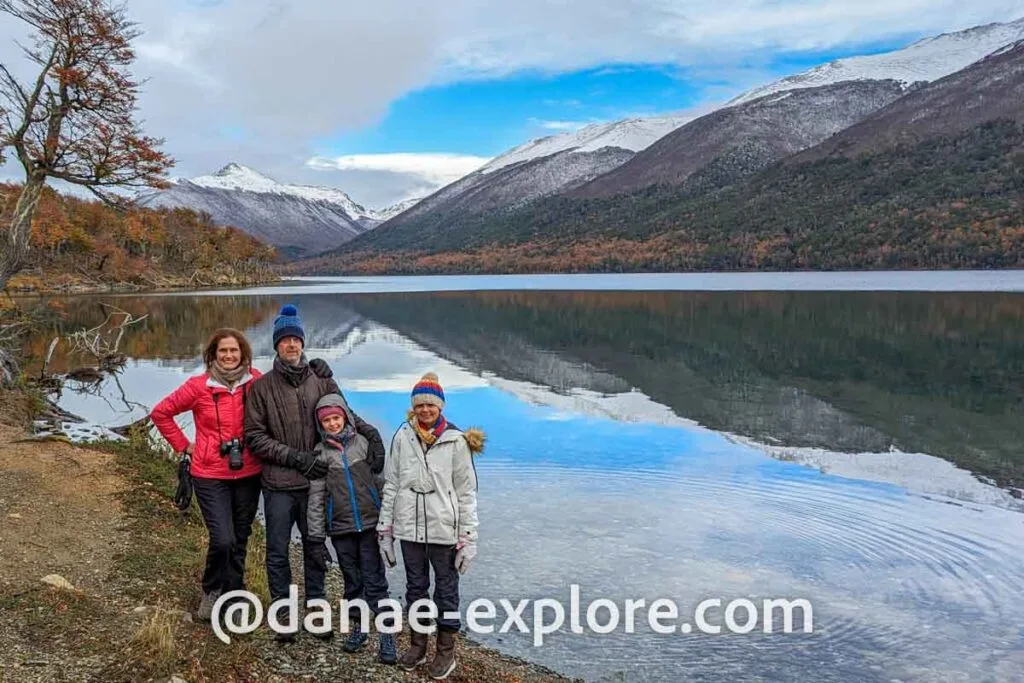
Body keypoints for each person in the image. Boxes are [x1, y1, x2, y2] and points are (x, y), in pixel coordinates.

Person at [243, 303, 384, 641]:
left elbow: (344, 417)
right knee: (278, 551)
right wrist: (296, 458)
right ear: (275, 345)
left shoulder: (322, 379)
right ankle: (283, 617)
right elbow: (254, 438)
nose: (291, 345)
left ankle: (317, 611)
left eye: (296, 339)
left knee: (315, 548)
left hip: (317, 484)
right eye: (284, 340)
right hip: (278, 485)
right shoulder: (261, 388)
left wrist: (372, 435)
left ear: (303, 343)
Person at [150, 328, 263, 621]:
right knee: (222, 537)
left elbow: (286, 393)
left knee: (240, 536)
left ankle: (234, 594)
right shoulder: (198, 386)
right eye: (222, 351)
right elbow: (161, 413)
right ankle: (212, 590)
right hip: (210, 473)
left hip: (249, 471)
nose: (228, 356)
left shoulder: (256, 381)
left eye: (233, 351)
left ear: (243, 354)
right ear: (212, 355)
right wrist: (185, 446)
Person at [376, 372, 483, 680]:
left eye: (430, 405)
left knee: (446, 592)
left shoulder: (456, 440)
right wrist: (386, 531)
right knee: (415, 589)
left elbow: (466, 493)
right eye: (420, 404)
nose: (425, 410)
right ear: (414, 407)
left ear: (440, 407)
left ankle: (446, 653)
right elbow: (392, 485)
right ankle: (418, 646)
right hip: (410, 530)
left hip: (444, 532)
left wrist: (468, 539)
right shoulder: (402, 437)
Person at [306, 393, 397, 664]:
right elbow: (316, 498)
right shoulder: (320, 454)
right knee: (352, 581)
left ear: (345, 417)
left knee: (376, 581)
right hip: (341, 529)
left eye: (336, 418)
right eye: (327, 421)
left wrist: (388, 521)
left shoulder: (364, 444)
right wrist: (316, 536)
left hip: (370, 525)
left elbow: (381, 483)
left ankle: (387, 634)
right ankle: (358, 629)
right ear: (321, 424)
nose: (333, 423)